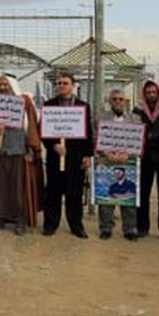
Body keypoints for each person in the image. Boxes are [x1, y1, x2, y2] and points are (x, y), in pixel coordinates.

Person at [0, 74, 42, 235]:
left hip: (18, 151)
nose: (2, 87)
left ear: (12, 85)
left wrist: (30, 150)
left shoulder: (24, 103)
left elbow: (30, 128)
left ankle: (20, 220)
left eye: (5, 84)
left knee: (18, 189)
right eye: (0, 84)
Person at [41, 73, 94, 238]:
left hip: (75, 156)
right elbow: (43, 130)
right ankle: (50, 224)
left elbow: (88, 132)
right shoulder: (49, 105)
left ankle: (76, 225)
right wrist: (53, 145)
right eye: (58, 83)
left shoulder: (82, 106)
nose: (61, 86)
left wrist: (87, 155)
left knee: (75, 193)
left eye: (65, 83)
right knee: (53, 192)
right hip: (55, 156)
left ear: (73, 85)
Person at [96, 89, 141, 240]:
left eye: (120, 99)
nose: (117, 102)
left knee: (128, 196)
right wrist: (106, 153)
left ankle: (130, 228)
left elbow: (138, 141)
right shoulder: (101, 118)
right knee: (106, 196)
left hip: (128, 162)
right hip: (107, 161)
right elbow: (95, 139)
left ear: (125, 101)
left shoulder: (135, 119)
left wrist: (128, 154)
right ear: (109, 101)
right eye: (114, 99)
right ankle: (105, 227)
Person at [133, 79, 159, 240]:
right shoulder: (138, 111)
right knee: (143, 192)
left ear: (158, 93)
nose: (151, 95)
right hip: (145, 156)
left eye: (154, 92)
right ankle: (142, 227)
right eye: (148, 92)